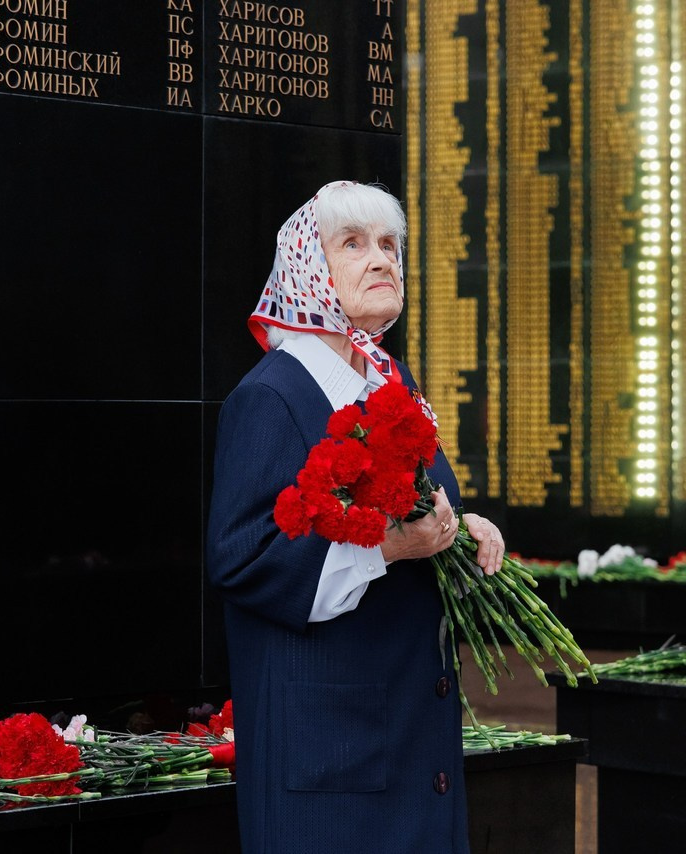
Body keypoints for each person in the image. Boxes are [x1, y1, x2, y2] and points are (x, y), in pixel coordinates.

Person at [206, 181, 507, 852]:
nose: (382, 260)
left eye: (389, 245)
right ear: (309, 269)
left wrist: (462, 534)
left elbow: (425, 518)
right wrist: (393, 547)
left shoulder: (393, 384)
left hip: (410, 748)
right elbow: (240, 558)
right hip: (332, 767)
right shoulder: (272, 396)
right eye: (354, 245)